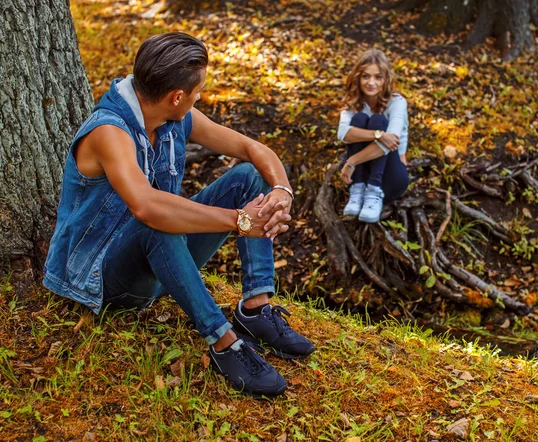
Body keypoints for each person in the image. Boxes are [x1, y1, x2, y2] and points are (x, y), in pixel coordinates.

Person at [43, 32, 314, 398]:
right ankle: (224, 342)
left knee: (248, 177)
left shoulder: (173, 117)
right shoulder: (110, 132)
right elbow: (148, 207)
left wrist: (281, 191)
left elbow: (251, 148)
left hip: (161, 258)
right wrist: (240, 221)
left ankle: (255, 308)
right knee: (156, 221)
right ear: (176, 96)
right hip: (105, 278)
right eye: (198, 89)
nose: (200, 95)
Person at [337, 48, 409, 223]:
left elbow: (390, 142)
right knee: (360, 118)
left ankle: (374, 192)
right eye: (366, 76)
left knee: (378, 120)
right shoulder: (352, 102)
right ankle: (358, 190)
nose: (371, 82)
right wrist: (378, 135)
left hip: (391, 176)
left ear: (386, 79)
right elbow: (343, 134)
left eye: (378, 77)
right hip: (361, 174)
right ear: (358, 78)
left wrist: (351, 162)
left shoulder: (397, 102)